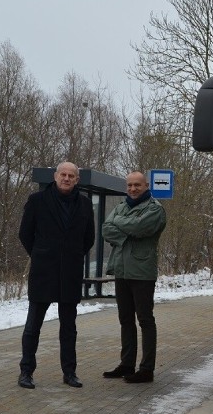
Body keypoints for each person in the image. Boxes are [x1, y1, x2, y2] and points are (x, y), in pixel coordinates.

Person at [17, 161, 95, 389]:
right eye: (63, 174)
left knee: (69, 327)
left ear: (77, 180)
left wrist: (71, 255)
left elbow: (88, 238)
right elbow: (25, 233)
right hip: (43, 271)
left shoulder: (84, 204)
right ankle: (26, 372)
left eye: (72, 175)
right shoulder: (37, 201)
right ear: (55, 176)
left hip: (70, 273)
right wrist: (41, 254)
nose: (67, 178)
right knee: (33, 325)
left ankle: (69, 372)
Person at [101, 171, 167, 384]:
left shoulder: (155, 209)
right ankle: (126, 364)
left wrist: (121, 225)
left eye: (137, 185)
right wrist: (127, 230)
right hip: (121, 270)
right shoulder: (122, 206)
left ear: (146, 185)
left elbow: (139, 228)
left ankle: (146, 369)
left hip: (142, 272)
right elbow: (105, 230)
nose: (132, 189)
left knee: (145, 320)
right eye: (129, 185)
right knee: (125, 319)